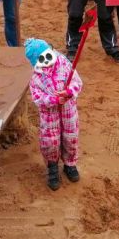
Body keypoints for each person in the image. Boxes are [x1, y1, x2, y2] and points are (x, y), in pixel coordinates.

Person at [24, 38, 83, 190]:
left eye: (48, 55)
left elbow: (77, 82)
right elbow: (37, 97)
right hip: (49, 115)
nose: (47, 61)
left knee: (71, 137)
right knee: (50, 141)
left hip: (68, 110)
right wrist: (54, 99)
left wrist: (69, 92)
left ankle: (70, 164)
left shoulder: (64, 64)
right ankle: (52, 167)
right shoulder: (35, 77)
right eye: (42, 59)